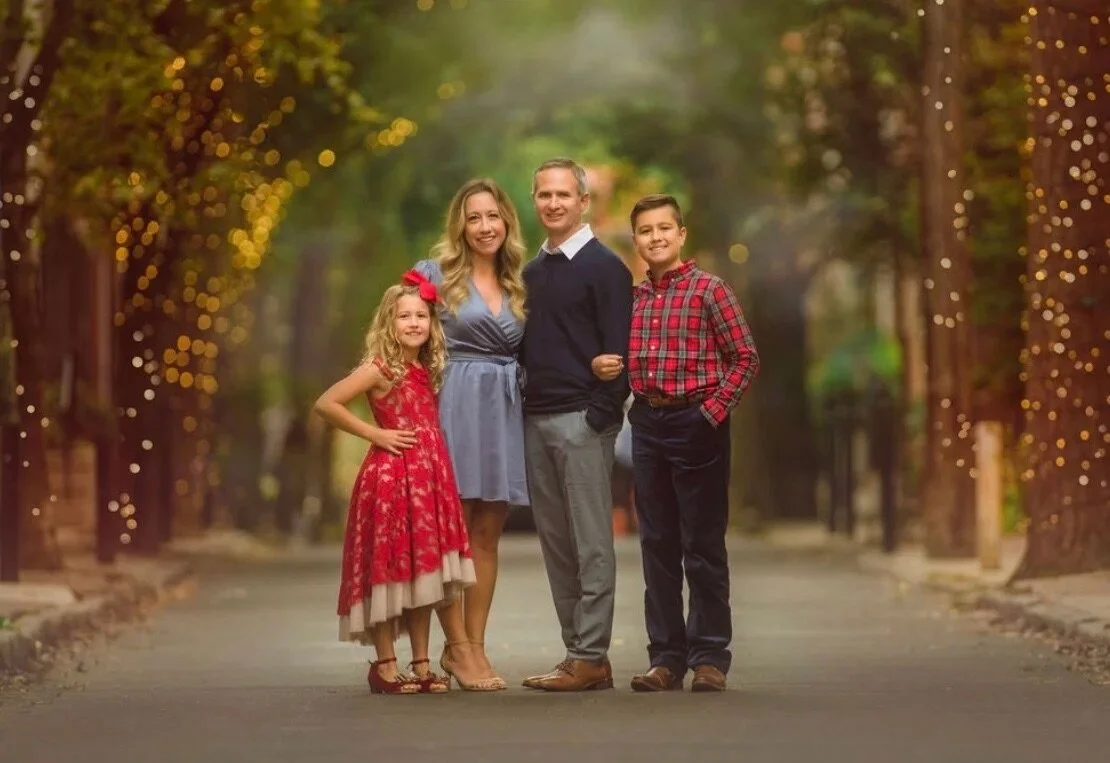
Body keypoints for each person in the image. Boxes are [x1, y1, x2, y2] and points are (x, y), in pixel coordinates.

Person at [593, 194, 760, 692]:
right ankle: (665, 657)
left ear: (681, 234)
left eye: (664, 228)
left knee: (702, 544)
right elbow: (616, 359)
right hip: (648, 423)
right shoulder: (634, 300)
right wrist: (602, 366)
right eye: (646, 230)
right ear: (636, 240)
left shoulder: (710, 290)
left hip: (698, 421)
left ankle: (709, 657)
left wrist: (711, 413)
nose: (656, 237)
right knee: (657, 544)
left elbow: (745, 358)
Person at [314, 270, 476, 696]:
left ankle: (421, 664)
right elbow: (327, 403)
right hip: (390, 480)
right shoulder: (380, 368)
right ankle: (385, 665)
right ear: (389, 322)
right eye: (404, 316)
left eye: (421, 315)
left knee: (423, 572)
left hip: (428, 480)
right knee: (389, 570)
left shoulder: (426, 368)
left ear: (432, 323)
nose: (414, 323)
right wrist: (375, 434)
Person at [519, 157, 633, 692]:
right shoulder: (530, 273)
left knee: (591, 545)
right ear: (535, 201)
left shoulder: (606, 268)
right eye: (544, 194)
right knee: (557, 545)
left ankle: (591, 653)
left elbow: (621, 352)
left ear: (583, 202)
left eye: (563, 194)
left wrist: (599, 417)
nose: (553, 203)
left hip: (582, 422)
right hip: (535, 420)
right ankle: (578, 656)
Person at [412, 178, 528, 691]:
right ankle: (456, 645)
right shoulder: (432, 274)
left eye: (492, 216)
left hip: (504, 407)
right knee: (451, 532)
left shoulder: (521, 281)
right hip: (452, 403)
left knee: (486, 533)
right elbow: (402, 336)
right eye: (474, 217)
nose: (484, 227)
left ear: (507, 222)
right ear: (460, 225)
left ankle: (475, 647)